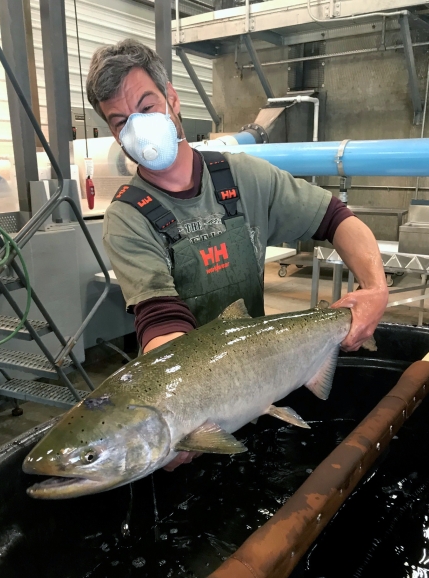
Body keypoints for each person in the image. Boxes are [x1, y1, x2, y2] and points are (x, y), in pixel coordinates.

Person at [86, 39, 388, 469]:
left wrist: (374, 288)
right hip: (196, 414)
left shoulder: (243, 177)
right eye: (119, 122)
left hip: (260, 381)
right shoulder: (129, 217)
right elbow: (162, 323)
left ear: (172, 98)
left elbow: (338, 219)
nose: (136, 129)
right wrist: (174, 418)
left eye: (146, 107)